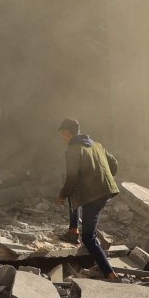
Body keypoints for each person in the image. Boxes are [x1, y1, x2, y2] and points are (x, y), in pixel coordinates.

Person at [54, 117, 122, 281]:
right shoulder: (96, 145)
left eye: (63, 135)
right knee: (74, 193)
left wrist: (62, 194)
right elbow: (114, 164)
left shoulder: (72, 150)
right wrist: (102, 179)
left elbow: (72, 178)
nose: (63, 139)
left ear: (67, 134)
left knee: (88, 238)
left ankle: (109, 273)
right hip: (104, 191)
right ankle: (73, 230)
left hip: (94, 196)